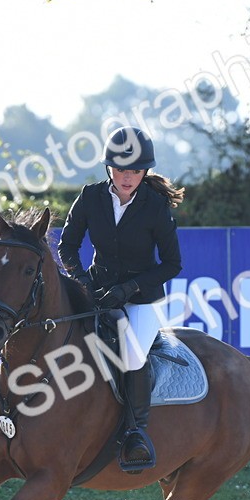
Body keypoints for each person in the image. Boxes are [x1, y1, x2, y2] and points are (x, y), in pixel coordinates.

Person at [58, 126, 185, 474]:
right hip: (97, 293)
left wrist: (129, 290)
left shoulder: (155, 206)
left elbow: (173, 264)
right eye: (121, 170)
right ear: (109, 169)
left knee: (130, 355)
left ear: (144, 171)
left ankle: (135, 433)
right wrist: (82, 281)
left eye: (135, 171)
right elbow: (67, 246)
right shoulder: (90, 197)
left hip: (140, 300)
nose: (128, 177)